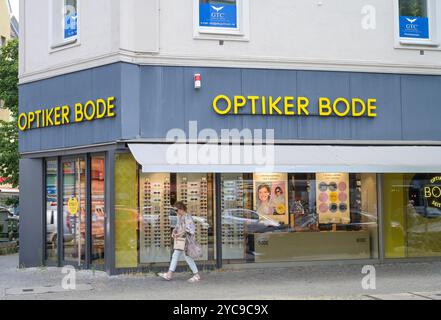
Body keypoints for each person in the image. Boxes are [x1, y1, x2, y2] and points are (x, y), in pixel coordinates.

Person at [159, 201, 201, 283]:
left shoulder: (188, 217)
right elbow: (178, 226)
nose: (176, 212)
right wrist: (174, 232)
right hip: (182, 241)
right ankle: (169, 274)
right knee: (177, 255)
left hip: (187, 241)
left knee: (187, 257)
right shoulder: (181, 217)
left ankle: (196, 275)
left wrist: (179, 234)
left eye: (176, 210)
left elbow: (190, 229)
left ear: (181, 209)